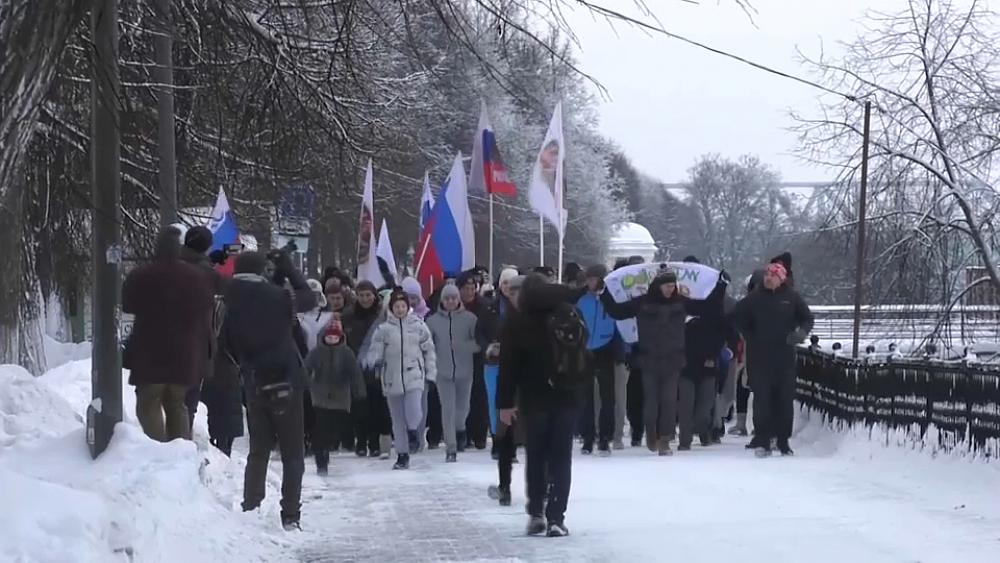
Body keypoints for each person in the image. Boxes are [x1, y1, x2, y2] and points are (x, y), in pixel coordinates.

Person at [223, 249, 316, 531]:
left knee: (258, 449)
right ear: (262, 270)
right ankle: (290, 514)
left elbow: (226, 342)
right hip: (285, 377)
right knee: (292, 452)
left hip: (253, 380)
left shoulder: (230, 298)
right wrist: (288, 269)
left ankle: (251, 505)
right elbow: (308, 298)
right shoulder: (277, 297)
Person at [600, 270, 724, 456]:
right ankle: (651, 431)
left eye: (673, 286)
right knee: (651, 400)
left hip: (673, 360)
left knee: (669, 401)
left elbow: (706, 307)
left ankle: (664, 438)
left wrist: (721, 285)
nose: (670, 289)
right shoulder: (642, 302)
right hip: (649, 359)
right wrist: (604, 293)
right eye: (667, 286)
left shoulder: (680, 302)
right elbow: (617, 311)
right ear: (658, 286)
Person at [498, 274, 584, 538]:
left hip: (534, 398)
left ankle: (536, 511)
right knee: (561, 457)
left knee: (536, 455)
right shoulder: (569, 312)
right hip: (567, 394)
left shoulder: (518, 320)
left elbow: (508, 366)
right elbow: (582, 351)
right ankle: (557, 517)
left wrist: (504, 403)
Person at [123, 228, 215, 443]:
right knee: (177, 404)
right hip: (184, 353)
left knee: (148, 404)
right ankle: (179, 451)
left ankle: (157, 449)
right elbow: (206, 307)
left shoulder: (141, 274)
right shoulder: (196, 277)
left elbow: (128, 305)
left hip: (149, 352)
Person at [733, 262, 814, 457]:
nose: (769, 278)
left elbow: (807, 318)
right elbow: (738, 317)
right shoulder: (754, 299)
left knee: (784, 400)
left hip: (784, 357)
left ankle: (783, 440)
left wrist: (801, 333)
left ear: (782, 278)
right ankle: (763, 439)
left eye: (773, 275)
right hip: (759, 358)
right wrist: (750, 335)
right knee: (762, 400)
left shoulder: (791, 298)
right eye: (767, 274)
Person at [365, 287, 437, 470]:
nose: (400, 309)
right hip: (391, 377)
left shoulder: (419, 326)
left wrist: (430, 373)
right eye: (396, 306)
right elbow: (375, 350)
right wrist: (372, 361)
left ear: (408, 307)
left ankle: (413, 431)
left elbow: (429, 350)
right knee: (397, 418)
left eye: (403, 305)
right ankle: (402, 454)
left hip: (414, 375)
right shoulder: (384, 329)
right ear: (391, 308)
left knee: (414, 411)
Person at [178, 226, 227, 431]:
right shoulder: (206, 273)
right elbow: (226, 290)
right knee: (187, 402)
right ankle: (180, 445)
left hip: (166, 341)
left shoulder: (171, 264)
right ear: (207, 247)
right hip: (195, 342)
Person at [676, 258, 728, 451]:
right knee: (685, 404)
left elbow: (721, 332)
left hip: (708, 364)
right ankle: (685, 440)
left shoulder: (712, 308)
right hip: (685, 363)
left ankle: (704, 431)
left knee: (704, 408)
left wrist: (721, 284)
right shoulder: (678, 306)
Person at [425, 284, 480, 462]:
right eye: (447, 298)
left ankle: (460, 429)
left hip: (465, 370)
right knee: (447, 409)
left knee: (463, 409)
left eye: (454, 298)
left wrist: (464, 347)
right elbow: (427, 345)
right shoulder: (432, 321)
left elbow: (478, 343)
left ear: (459, 300)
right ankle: (451, 446)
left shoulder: (470, 319)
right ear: (442, 300)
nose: (450, 301)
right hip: (443, 371)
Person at [304, 321, 366, 475]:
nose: (331, 340)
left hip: (340, 397)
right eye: (329, 337)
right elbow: (306, 368)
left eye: (334, 337)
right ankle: (321, 459)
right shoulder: (317, 352)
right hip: (320, 396)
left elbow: (355, 373)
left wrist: (359, 390)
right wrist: (302, 385)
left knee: (335, 428)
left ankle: (329, 446)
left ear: (340, 338)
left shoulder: (347, 353)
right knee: (320, 430)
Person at [343, 280, 390, 458]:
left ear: (374, 296)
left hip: (376, 367)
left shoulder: (381, 316)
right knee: (360, 407)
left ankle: (374, 442)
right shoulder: (348, 316)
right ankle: (361, 441)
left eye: (368, 295)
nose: (364, 299)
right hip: (355, 366)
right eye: (361, 295)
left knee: (377, 406)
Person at [575, 264, 618, 456]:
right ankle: (588, 437)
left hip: (605, 349)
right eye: (588, 279)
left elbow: (619, 322)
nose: (590, 283)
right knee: (586, 397)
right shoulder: (582, 300)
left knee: (607, 397)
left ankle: (604, 438)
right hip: (585, 350)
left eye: (593, 279)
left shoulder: (610, 299)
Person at [458, 269, 498, 451]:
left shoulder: (485, 306)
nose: (469, 291)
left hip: (479, 356)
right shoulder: (453, 305)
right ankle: (463, 432)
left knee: (479, 396)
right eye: (466, 288)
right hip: (459, 356)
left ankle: (480, 434)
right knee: (462, 396)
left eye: (472, 287)